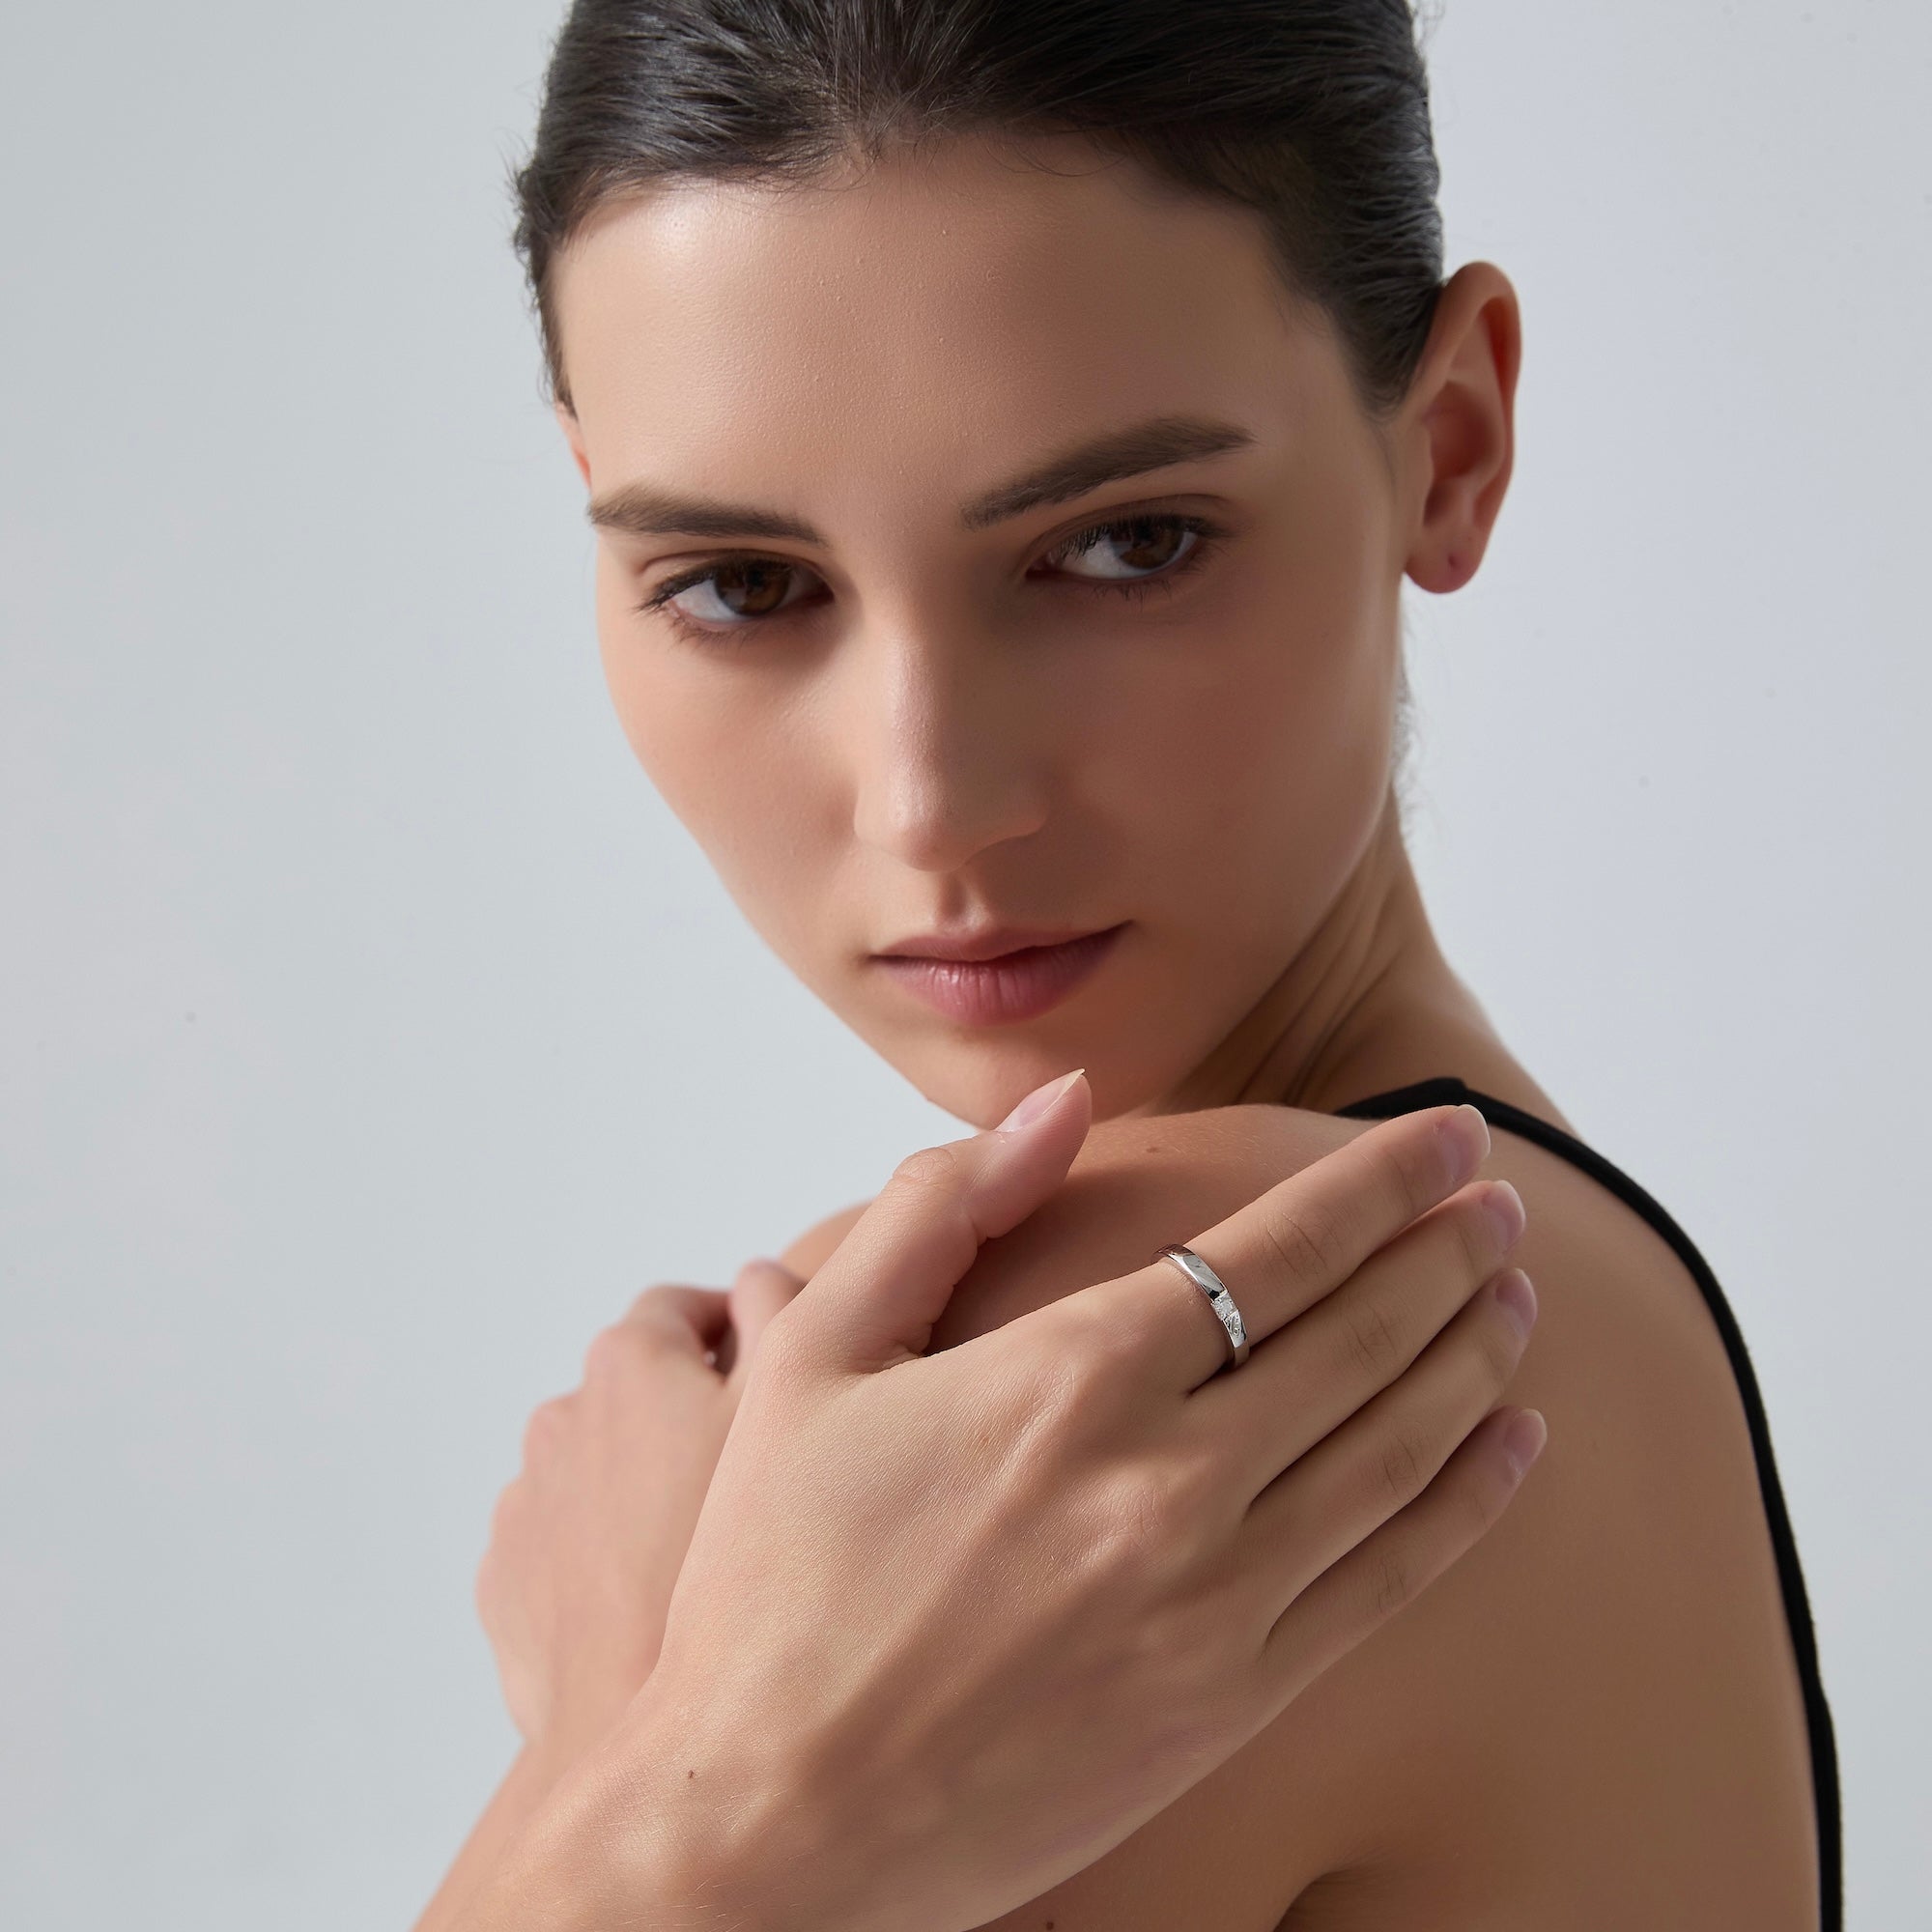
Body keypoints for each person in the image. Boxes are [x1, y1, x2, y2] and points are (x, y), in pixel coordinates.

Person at [420, 1, 1841, 1924]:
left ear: (1449, 444)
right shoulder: (1575, 1281)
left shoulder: (1130, 1358)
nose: (931, 802)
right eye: (743, 585)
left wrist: (652, 1746)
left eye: (1128, 545)